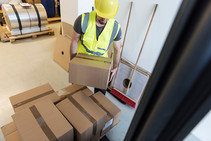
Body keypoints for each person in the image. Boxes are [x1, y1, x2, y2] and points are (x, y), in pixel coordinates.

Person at [70, 0, 122, 95]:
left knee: (100, 95)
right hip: (82, 61)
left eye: (108, 17)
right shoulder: (82, 20)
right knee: (77, 92)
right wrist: (72, 62)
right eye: (102, 15)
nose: (104, 19)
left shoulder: (116, 27)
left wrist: (115, 67)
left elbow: (117, 49)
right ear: (97, 9)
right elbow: (74, 40)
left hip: (101, 64)